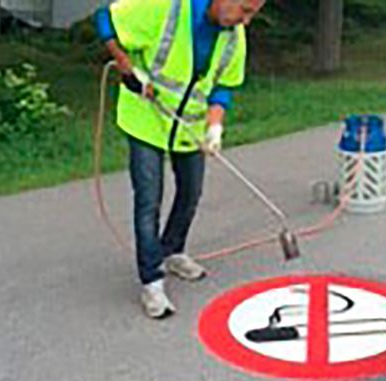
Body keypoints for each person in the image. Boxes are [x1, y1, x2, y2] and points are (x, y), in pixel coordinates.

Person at [94, 0, 266, 319]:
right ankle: (152, 282)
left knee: (191, 193)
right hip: (146, 119)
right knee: (149, 200)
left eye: (253, 13)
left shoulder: (234, 36)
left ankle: (172, 251)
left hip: (189, 126)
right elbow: (105, 19)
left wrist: (215, 125)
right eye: (245, 10)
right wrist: (126, 65)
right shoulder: (166, 7)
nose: (247, 21)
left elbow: (223, 89)